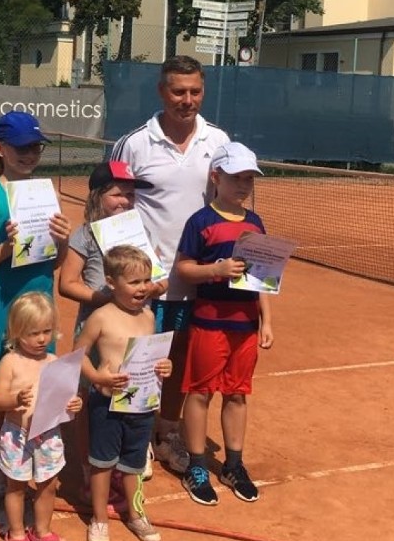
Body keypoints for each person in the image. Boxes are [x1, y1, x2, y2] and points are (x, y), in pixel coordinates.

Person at [110, 55, 229, 473]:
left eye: (195, 91)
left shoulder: (218, 142)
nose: (187, 99)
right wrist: (138, 274)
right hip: (145, 284)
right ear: (162, 92)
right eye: (178, 91)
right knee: (136, 361)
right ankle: (133, 438)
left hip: (196, 282)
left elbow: (227, 207)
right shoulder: (134, 143)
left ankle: (167, 432)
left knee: (177, 362)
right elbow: (115, 208)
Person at [0, 110, 71, 537]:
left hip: (39, 307)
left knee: (40, 394)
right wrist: (6, 247)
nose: (29, 154)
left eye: (35, 147)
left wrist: (63, 242)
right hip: (1, 308)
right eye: (20, 147)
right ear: (0, 149)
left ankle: (28, 476)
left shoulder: (48, 196)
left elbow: (58, 263)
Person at [58, 160, 164, 498]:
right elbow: (67, 283)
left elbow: (154, 276)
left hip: (136, 328)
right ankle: (93, 469)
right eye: (118, 195)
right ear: (98, 195)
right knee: (92, 399)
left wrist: (155, 286)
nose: (126, 202)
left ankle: (128, 460)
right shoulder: (84, 235)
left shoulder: (138, 232)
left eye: (131, 195)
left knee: (136, 390)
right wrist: (103, 297)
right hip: (97, 329)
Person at [175, 142, 273, 505]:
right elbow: (183, 268)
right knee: (200, 393)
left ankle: (233, 464)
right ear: (216, 177)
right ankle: (197, 466)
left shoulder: (255, 222)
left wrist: (266, 321)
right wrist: (215, 270)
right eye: (236, 177)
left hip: (245, 327)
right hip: (209, 322)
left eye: (249, 178)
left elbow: (262, 276)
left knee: (237, 393)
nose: (244, 185)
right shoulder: (201, 222)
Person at [76, 245, 172, 541]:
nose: (142, 288)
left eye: (145, 280)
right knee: (102, 464)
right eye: (133, 282)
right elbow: (78, 355)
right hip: (106, 403)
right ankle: (100, 519)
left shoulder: (148, 317)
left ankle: (136, 514)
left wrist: (165, 366)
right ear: (111, 282)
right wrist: (96, 378)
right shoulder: (100, 317)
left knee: (133, 464)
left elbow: (153, 359)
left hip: (141, 405)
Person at [0, 292, 82, 541]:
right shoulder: (9, 362)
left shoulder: (54, 362)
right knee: (16, 486)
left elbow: (63, 399)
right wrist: (15, 400)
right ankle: (17, 533)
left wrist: (72, 405)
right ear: (17, 332)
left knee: (48, 485)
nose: (42, 339)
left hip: (48, 434)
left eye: (46, 331)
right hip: (17, 436)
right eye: (33, 333)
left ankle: (42, 531)